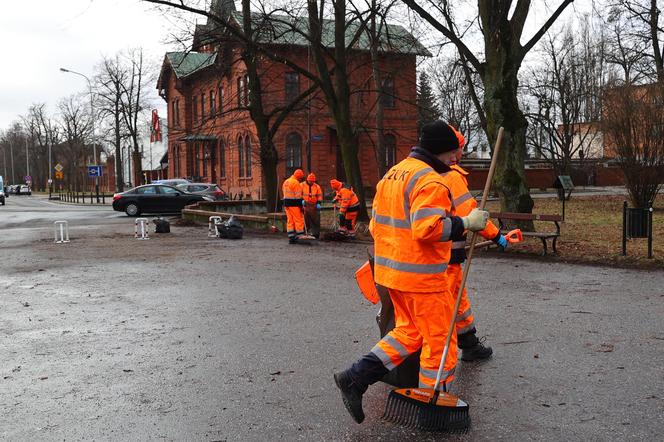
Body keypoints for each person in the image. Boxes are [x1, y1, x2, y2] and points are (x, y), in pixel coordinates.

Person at [333, 120, 490, 423]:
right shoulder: (430, 181)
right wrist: (467, 223)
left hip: (392, 275)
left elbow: (378, 225)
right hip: (422, 277)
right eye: (450, 156)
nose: (452, 162)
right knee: (441, 342)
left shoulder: (394, 174)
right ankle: (436, 406)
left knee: (408, 333)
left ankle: (355, 377)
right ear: (440, 152)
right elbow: (427, 229)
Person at [443, 125, 510, 361]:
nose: (461, 153)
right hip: (446, 253)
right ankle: (459, 348)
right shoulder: (451, 177)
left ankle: (469, 342)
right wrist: (496, 235)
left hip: (426, 254)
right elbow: (472, 214)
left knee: (457, 300)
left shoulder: (421, 172)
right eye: (460, 149)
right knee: (452, 301)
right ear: (454, 150)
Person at [282, 168, 306, 244]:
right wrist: (301, 206)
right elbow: (298, 196)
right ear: (299, 176)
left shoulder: (286, 181)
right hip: (294, 204)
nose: (301, 179)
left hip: (286, 204)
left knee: (290, 220)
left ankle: (291, 237)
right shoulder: (296, 183)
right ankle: (300, 236)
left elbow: (284, 193)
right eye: (301, 178)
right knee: (298, 219)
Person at [302, 173, 323, 239]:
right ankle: (304, 233)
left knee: (315, 220)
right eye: (310, 181)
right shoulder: (301, 185)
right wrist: (301, 200)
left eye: (313, 181)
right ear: (307, 180)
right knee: (305, 220)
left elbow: (319, 195)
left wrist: (319, 203)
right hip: (305, 204)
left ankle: (316, 234)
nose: (311, 182)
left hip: (314, 205)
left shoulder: (317, 186)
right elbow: (298, 193)